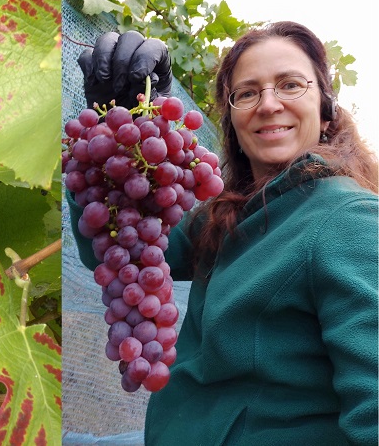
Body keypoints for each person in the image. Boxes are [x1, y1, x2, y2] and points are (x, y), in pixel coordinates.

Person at [70, 23, 378, 444]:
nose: (268, 105)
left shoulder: (350, 219)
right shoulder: (227, 213)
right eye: (247, 93)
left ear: (325, 109)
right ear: (232, 120)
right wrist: (120, 138)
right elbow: (112, 250)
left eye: (290, 85)